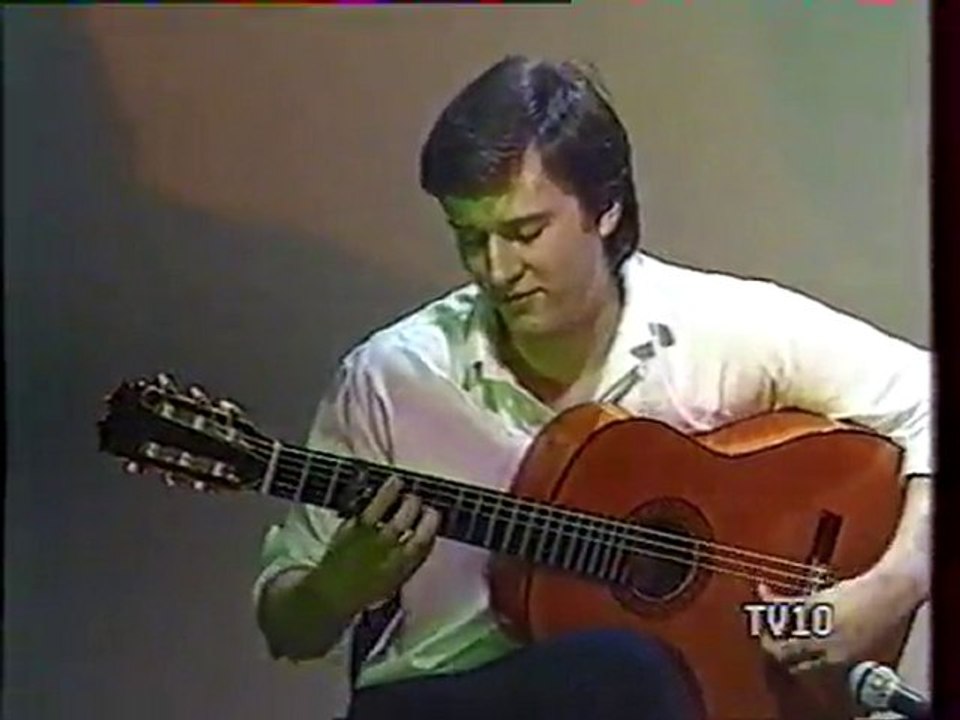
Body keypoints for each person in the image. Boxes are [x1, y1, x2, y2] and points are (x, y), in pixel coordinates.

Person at [252, 56, 931, 720]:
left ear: (604, 209)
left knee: (626, 672)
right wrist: (332, 590)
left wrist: (888, 588)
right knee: (618, 671)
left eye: (524, 233)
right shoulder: (391, 378)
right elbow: (290, 630)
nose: (497, 269)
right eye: (470, 238)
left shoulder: (719, 329)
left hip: (698, 698)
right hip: (442, 696)